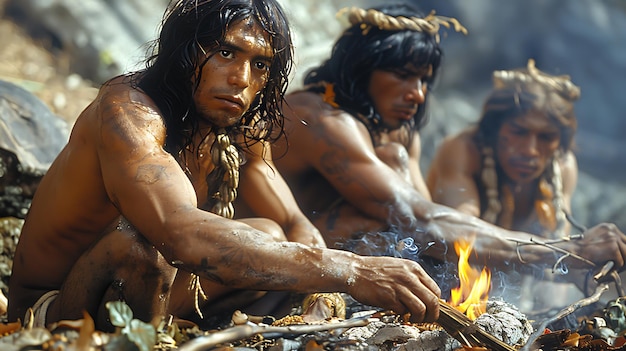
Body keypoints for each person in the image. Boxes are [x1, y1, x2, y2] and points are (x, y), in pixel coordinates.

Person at [7, 0, 442, 331]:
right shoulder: (127, 113)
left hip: (161, 293)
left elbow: (294, 225)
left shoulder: (238, 124)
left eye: (260, 65)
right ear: (184, 52)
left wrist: (323, 290)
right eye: (226, 54)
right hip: (54, 307)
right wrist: (352, 271)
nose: (242, 80)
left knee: (269, 237)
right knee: (140, 247)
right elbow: (179, 234)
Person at [272, 3, 626, 294]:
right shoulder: (319, 118)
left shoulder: (398, 134)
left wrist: (564, 267)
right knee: (367, 226)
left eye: (424, 79)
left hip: (353, 271)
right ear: (361, 68)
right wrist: (564, 253)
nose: (418, 94)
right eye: (403, 75)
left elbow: (426, 236)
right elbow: (421, 217)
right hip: (278, 268)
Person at [425, 59, 589, 310]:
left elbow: (558, 257)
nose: (531, 150)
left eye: (546, 137)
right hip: (442, 285)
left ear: (560, 141)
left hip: (511, 295)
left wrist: (554, 320)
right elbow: (461, 237)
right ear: (494, 128)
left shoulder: (562, 167)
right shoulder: (462, 150)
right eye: (519, 131)